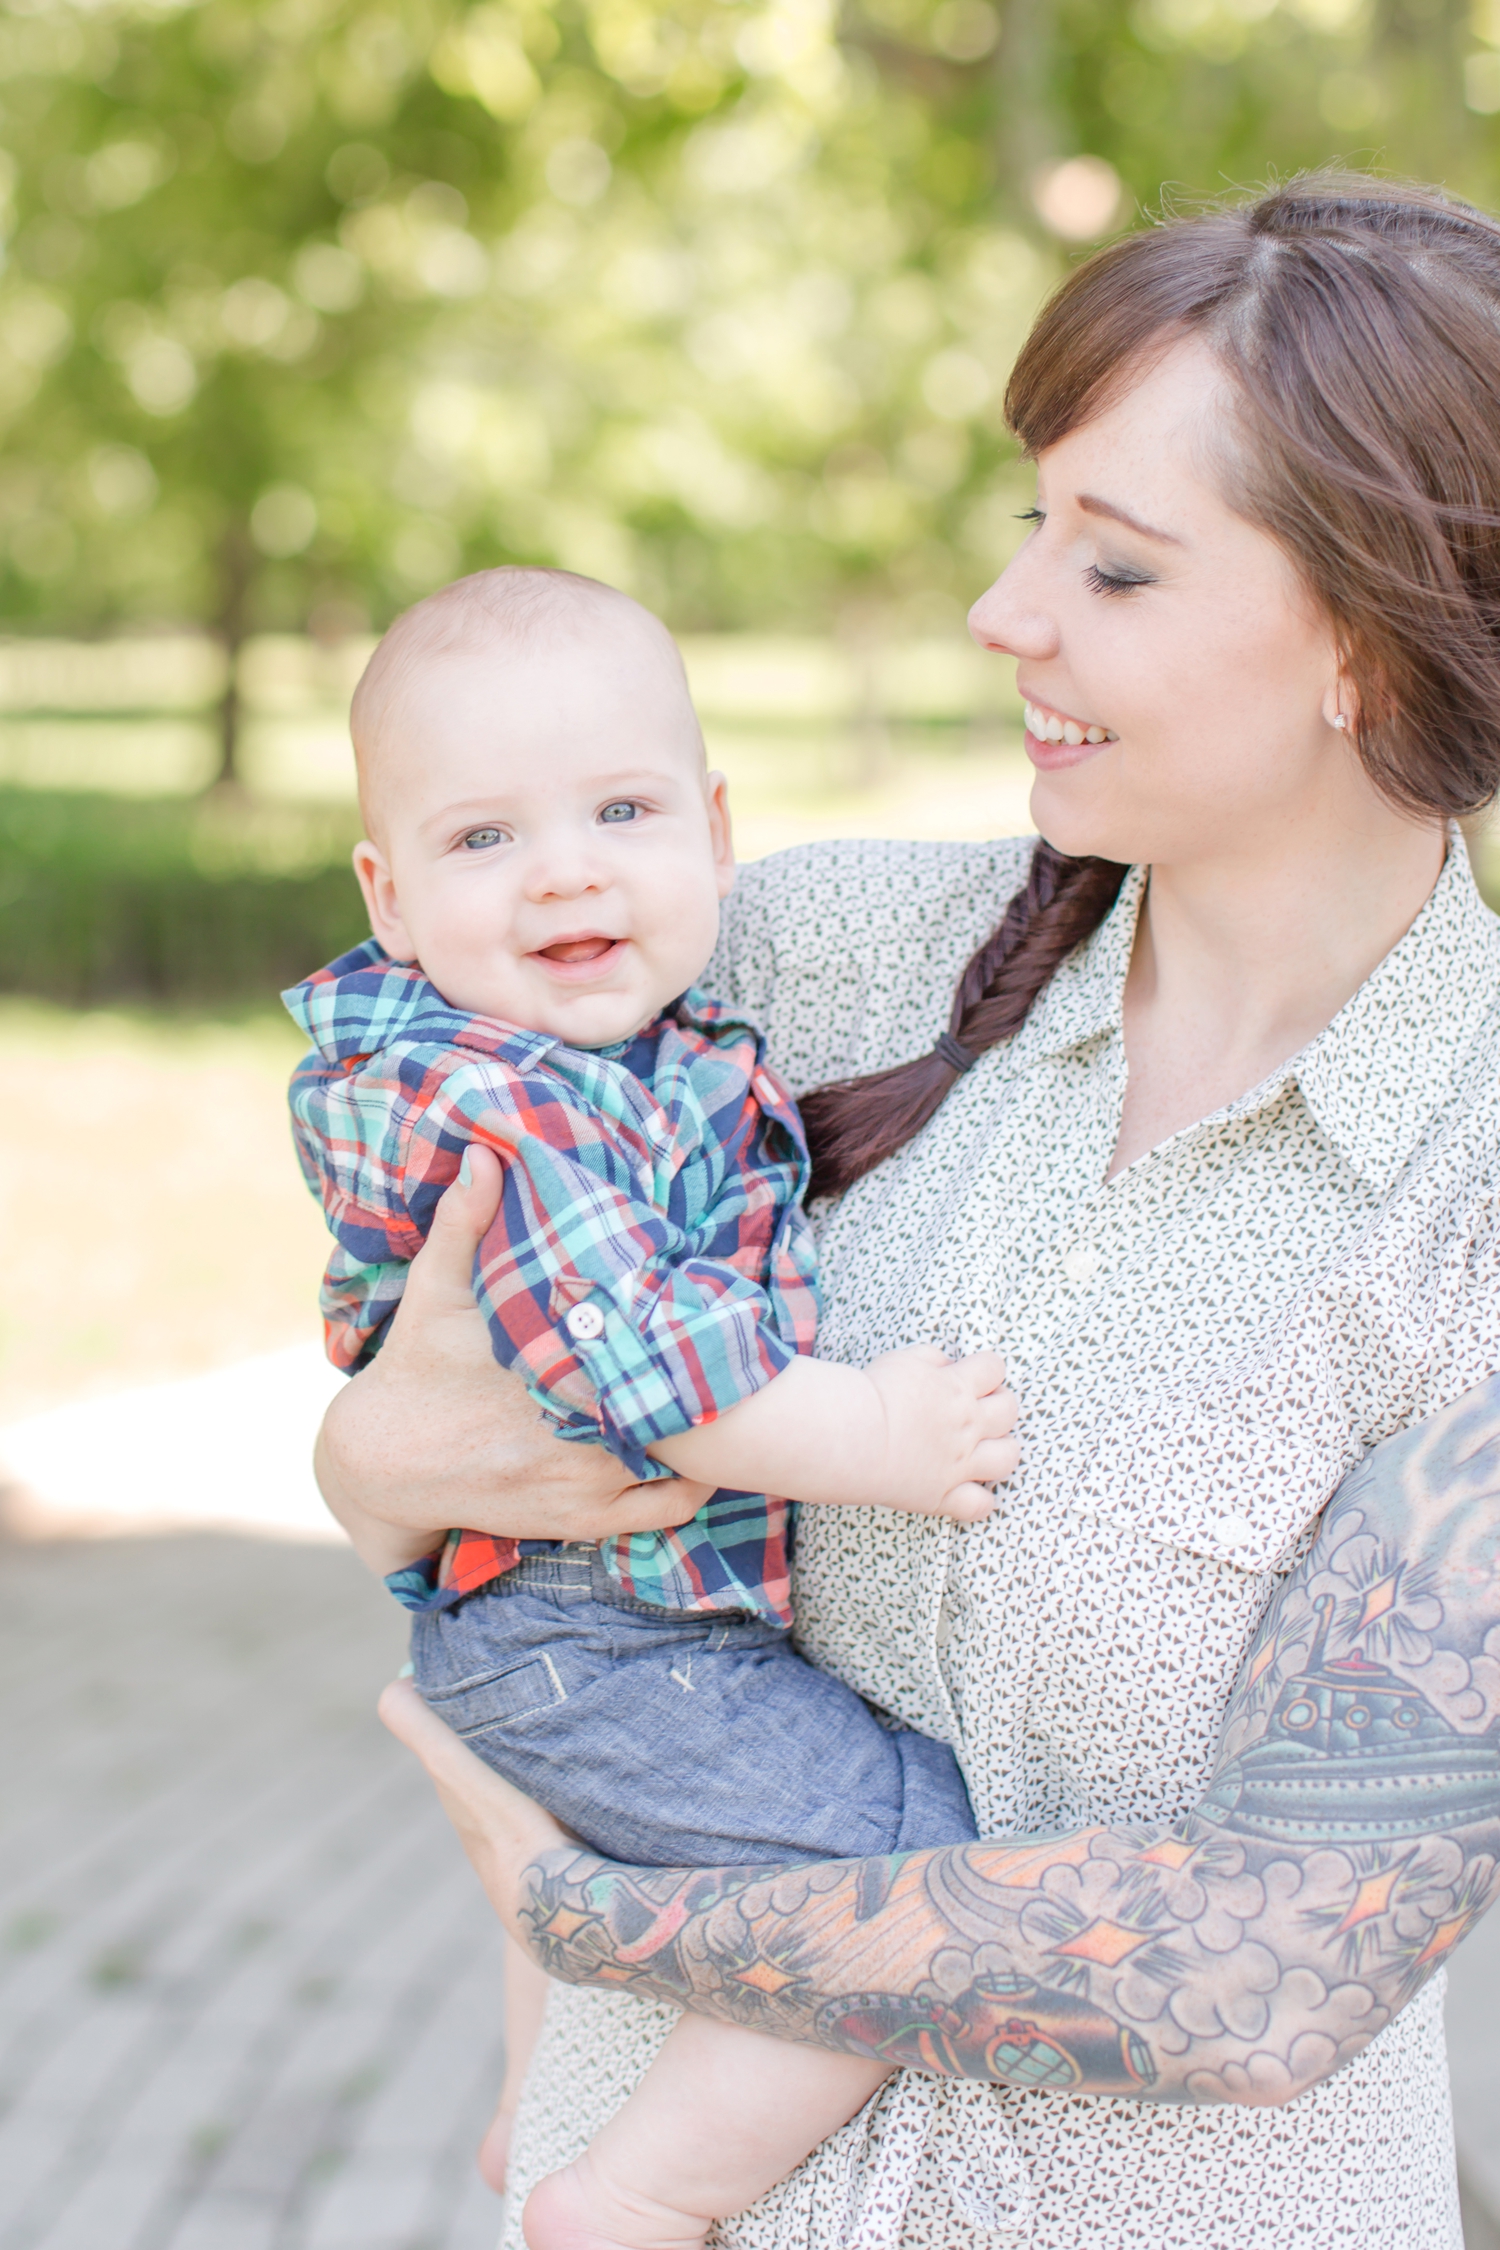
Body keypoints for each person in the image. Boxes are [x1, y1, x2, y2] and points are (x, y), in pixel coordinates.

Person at [318, 173, 1500, 2247]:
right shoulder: (800, 958)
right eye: (1031, 519)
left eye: (1114, 568)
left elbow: (1266, 1961)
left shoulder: (1468, 1182)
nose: (1006, 610)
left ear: (1367, 652)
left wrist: (577, 1908)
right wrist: (369, 1459)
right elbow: (420, 1357)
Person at [284, 566, 1021, 2250]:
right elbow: (665, 1377)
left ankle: (528, 2111)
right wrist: (881, 1438)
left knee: (633, 1869)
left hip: (567, 1632)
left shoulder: (623, 1043)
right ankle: (634, 2190)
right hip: (592, 1635)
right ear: (387, 895)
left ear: (715, 826)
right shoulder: (514, 1094)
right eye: (484, 840)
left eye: (621, 809)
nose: (565, 870)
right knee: (898, 1855)